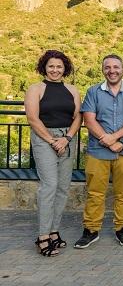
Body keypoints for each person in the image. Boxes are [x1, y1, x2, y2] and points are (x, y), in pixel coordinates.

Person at [74, 54, 123, 249]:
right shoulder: (93, 92)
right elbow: (89, 120)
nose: (112, 70)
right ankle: (90, 230)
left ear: (122, 69)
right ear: (103, 70)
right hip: (98, 151)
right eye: (108, 67)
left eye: (116, 67)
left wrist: (114, 138)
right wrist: (107, 141)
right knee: (94, 192)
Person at [25, 50, 82, 257]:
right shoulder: (36, 89)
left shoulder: (72, 89)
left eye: (59, 66)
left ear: (64, 68)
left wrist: (66, 139)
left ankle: (54, 231)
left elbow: (78, 117)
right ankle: (42, 237)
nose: (55, 70)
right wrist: (52, 140)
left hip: (67, 139)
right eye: (51, 66)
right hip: (44, 139)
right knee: (49, 186)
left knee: (63, 187)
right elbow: (32, 118)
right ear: (44, 67)